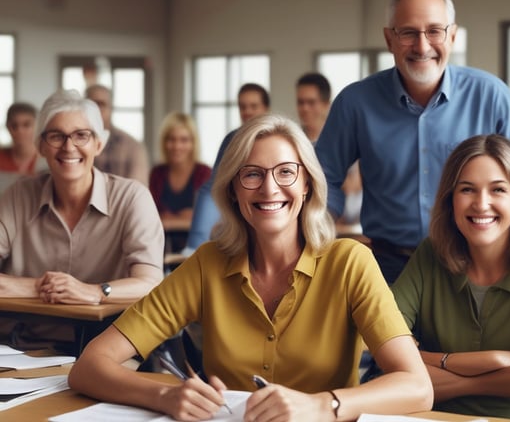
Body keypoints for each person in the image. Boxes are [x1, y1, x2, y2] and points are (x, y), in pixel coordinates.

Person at [68, 114, 433, 421]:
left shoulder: (349, 262)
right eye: (252, 174)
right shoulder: (207, 264)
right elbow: (89, 367)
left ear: (307, 185)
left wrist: (321, 405)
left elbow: (417, 386)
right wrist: (165, 395)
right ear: (233, 190)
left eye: (286, 172)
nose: (269, 188)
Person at [315, 0, 510, 284]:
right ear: (389, 39)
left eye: (434, 31)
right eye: (409, 32)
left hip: (475, 262)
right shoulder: (355, 103)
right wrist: (316, 233)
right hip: (390, 266)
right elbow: (323, 179)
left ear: (452, 36)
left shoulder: (489, 93)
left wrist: (508, 220)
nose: (422, 46)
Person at [391, 134, 510, 421]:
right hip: (433, 417)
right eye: (467, 190)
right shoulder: (431, 253)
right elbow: (388, 353)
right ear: (450, 201)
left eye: (498, 190)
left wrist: (432, 369)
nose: (481, 204)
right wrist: (488, 362)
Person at [0, 89, 164, 353]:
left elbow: (151, 282)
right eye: (56, 136)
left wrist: (96, 292)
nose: (68, 146)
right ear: (40, 146)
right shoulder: (17, 196)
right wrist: (38, 287)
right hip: (21, 346)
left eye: (81, 135)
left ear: (98, 144)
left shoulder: (132, 198)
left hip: (105, 349)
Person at [183, 83, 270, 254]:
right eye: (242, 107)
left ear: (266, 108)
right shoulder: (232, 139)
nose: (247, 112)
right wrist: (194, 246)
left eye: (253, 106)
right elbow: (212, 189)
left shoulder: (278, 138)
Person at [149, 112, 212, 251]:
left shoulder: (204, 173)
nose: (177, 146)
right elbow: (150, 219)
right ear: (164, 142)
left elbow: (208, 224)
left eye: (184, 140)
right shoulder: (157, 174)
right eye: (171, 139)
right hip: (162, 249)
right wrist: (186, 218)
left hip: (198, 250)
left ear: (193, 143)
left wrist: (169, 221)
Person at [85, 84, 150, 185]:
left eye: (101, 104)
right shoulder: (71, 144)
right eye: (91, 105)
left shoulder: (133, 147)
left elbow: (136, 191)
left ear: (111, 108)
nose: (96, 110)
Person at [0, 102, 40, 174]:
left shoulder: (47, 161)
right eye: (14, 125)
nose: (20, 131)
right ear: (7, 127)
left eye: (26, 125)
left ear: (38, 127)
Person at [295, 72, 331, 143]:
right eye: (300, 102)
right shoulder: (293, 140)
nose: (305, 108)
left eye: (311, 102)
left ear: (326, 104)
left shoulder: (341, 142)